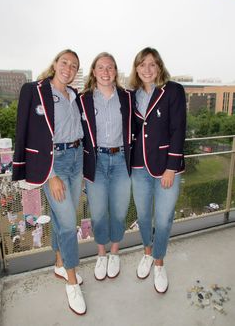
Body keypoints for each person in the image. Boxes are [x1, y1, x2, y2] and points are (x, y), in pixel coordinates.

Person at [12, 49, 86, 315]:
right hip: (53, 165)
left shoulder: (74, 96)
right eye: (64, 62)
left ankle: (58, 263)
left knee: (61, 217)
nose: (68, 67)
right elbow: (26, 133)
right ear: (55, 63)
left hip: (77, 159)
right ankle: (72, 279)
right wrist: (52, 174)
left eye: (74, 65)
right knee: (68, 224)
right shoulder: (33, 90)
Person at [129, 47, 186, 293]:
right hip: (139, 167)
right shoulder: (130, 95)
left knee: (163, 219)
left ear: (159, 66)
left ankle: (159, 263)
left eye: (152, 64)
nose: (147, 69)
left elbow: (178, 130)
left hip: (166, 168)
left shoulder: (173, 90)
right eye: (142, 65)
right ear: (137, 68)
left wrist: (171, 168)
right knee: (143, 217)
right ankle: (147, 252)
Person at [77, 52, 132, 280]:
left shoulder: (127, 97)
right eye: (101, 67)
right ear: (94, 72)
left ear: (116, 71)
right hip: (96, 162)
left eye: (110, 67)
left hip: (121, 160)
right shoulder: (84, 99)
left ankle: (115, 252)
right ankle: (101, 254)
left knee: (119, 211)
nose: (106, 71)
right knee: (98, 213)